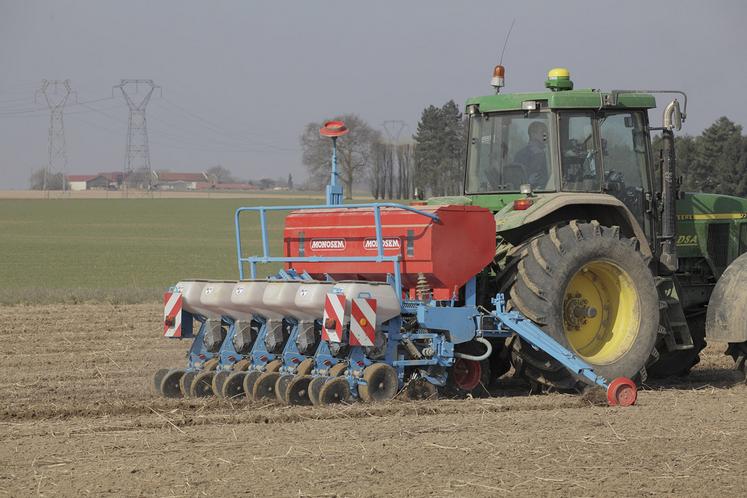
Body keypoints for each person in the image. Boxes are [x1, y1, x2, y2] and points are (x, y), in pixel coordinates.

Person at [514, 121, 549, 188]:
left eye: (546, 133)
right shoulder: (522, 155)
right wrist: (528, 181)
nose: (546, 135)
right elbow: (516, 179)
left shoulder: (548, 154)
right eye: (542, 133)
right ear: (533, 135)